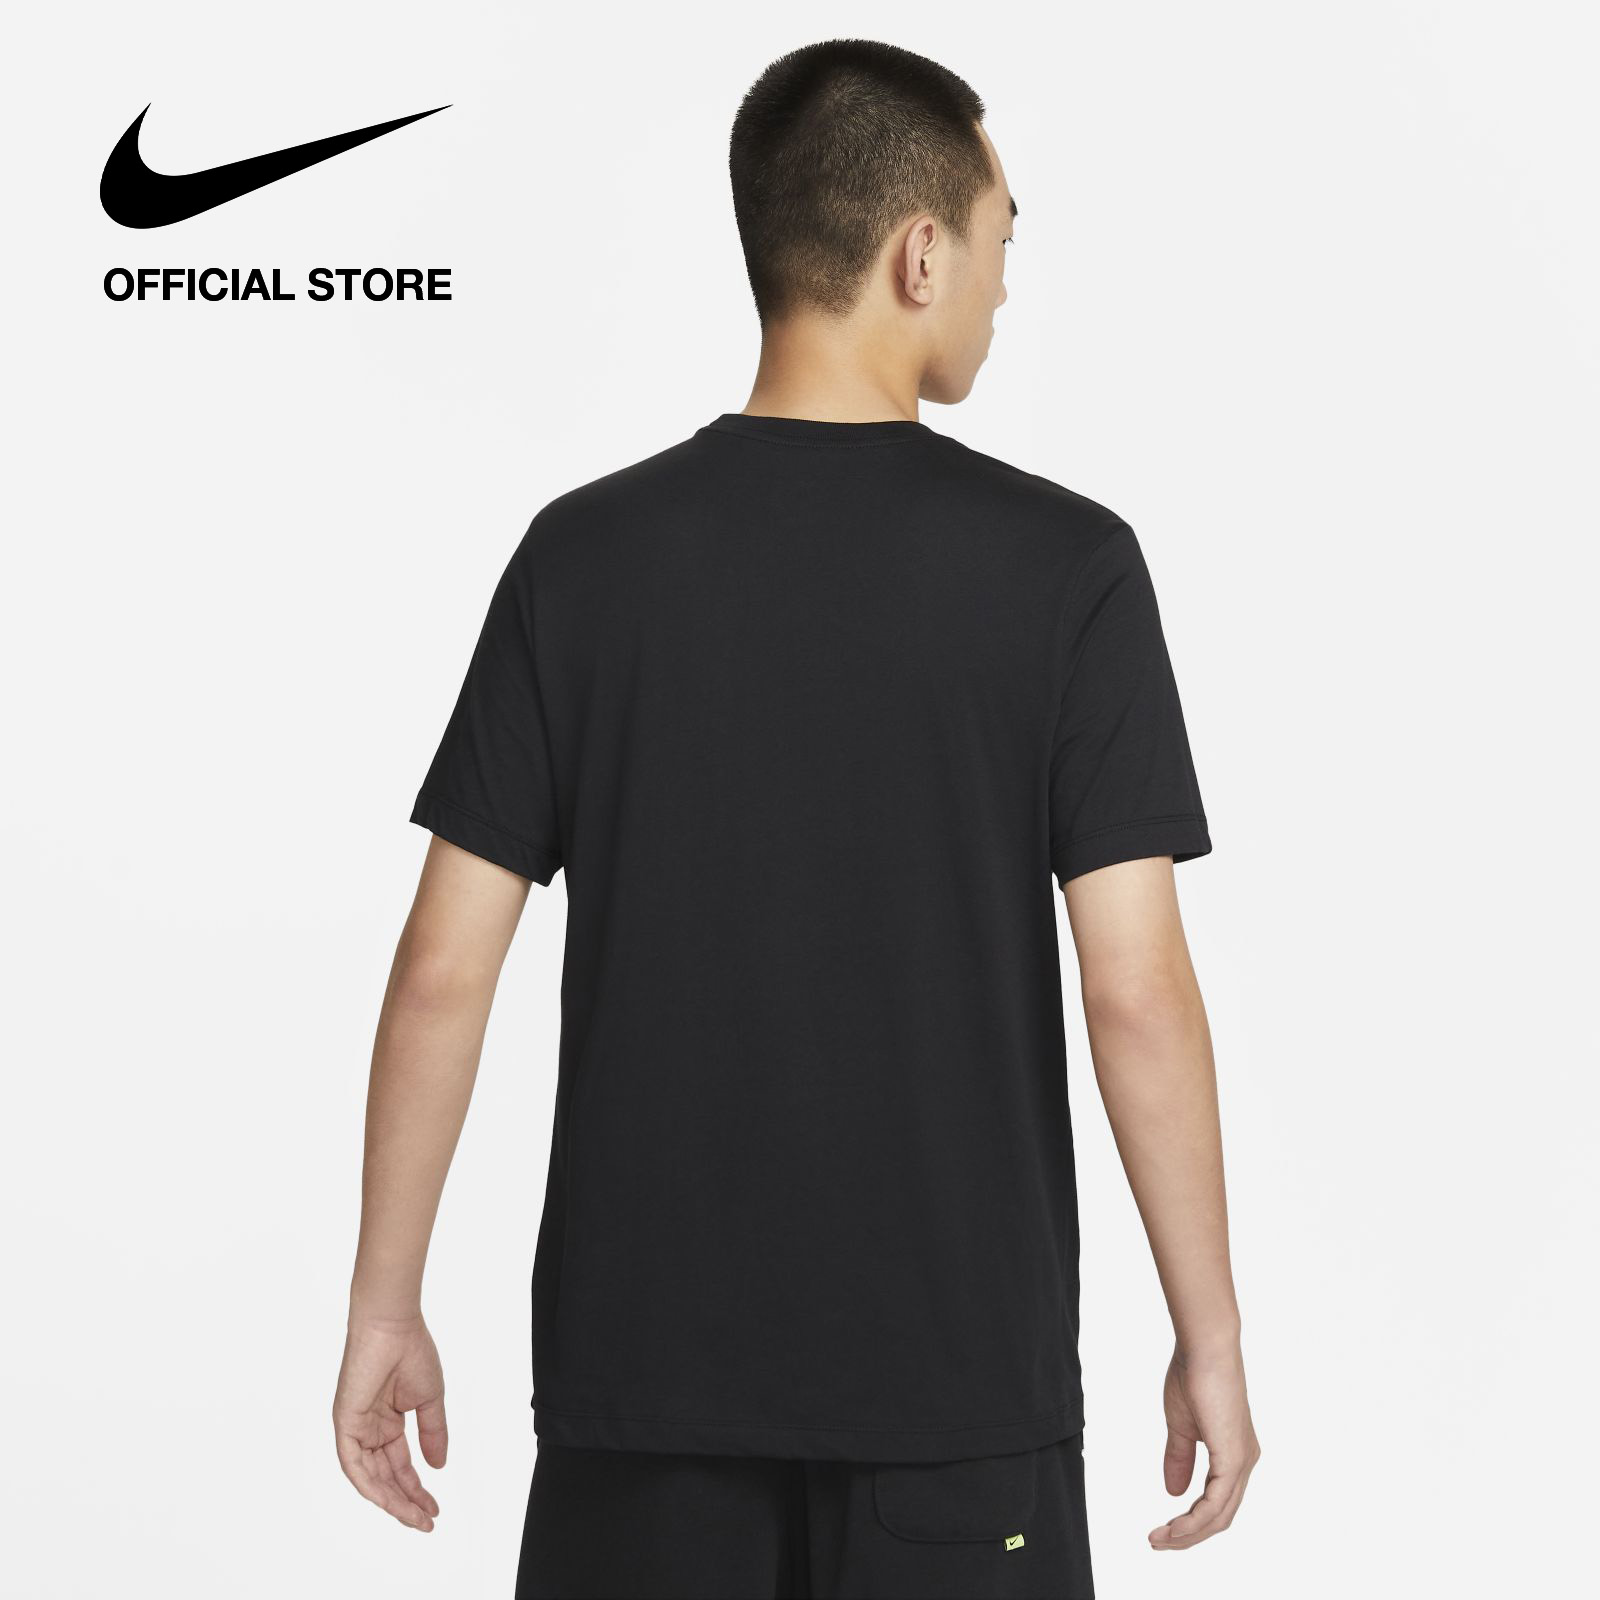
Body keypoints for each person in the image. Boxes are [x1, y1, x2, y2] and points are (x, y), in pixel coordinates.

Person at [333, 37, 1258, 1600]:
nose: (1006, 285)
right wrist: (1209, 1332)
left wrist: (383, 1303)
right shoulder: (1070, 572)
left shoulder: (584, 560)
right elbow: (1136, 994)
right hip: (959, 1408)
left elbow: (442, 969)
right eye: (1002, 237)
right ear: (920, 255)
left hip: (642, 1409)